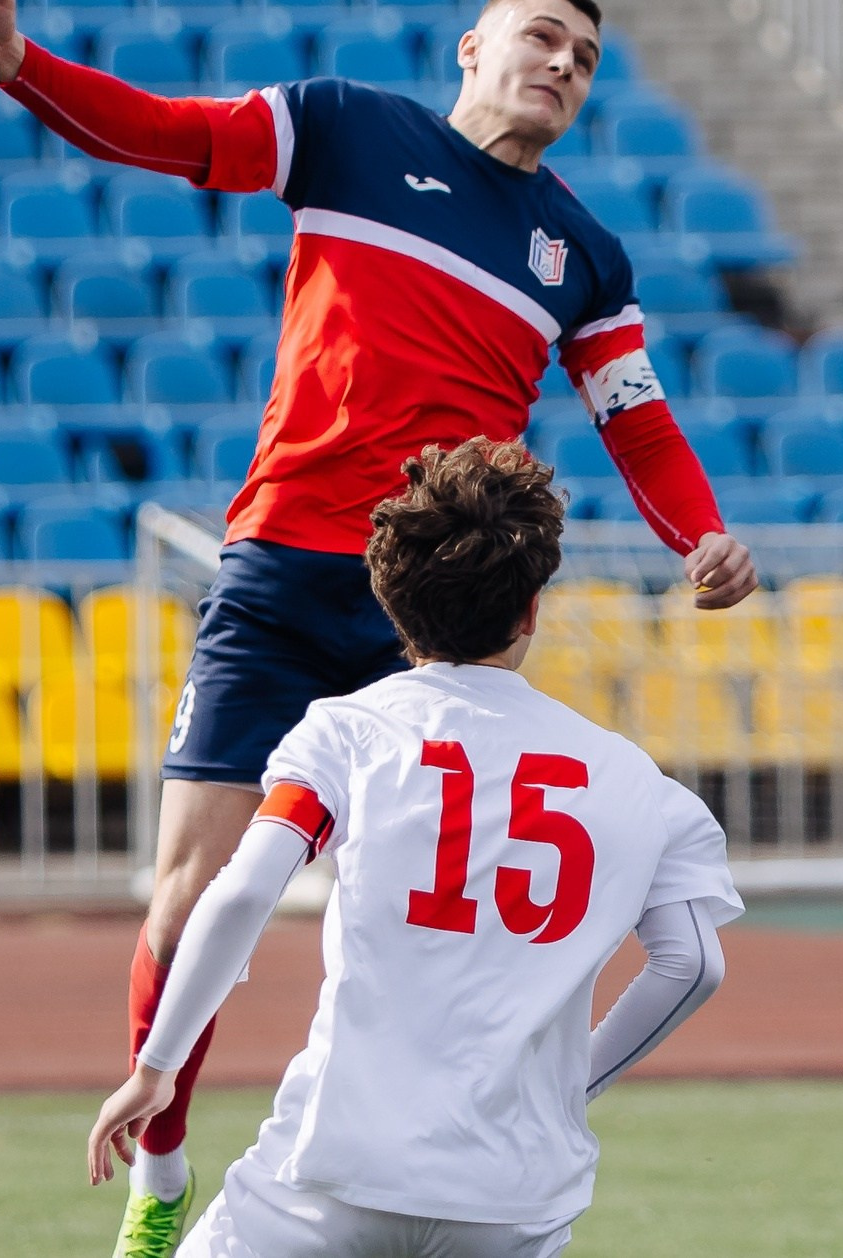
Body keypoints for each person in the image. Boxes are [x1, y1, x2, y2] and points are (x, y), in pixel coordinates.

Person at [0, 0, 756, 1257]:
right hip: (278, 566)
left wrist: (698, 530)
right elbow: (173, 134)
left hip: (436, 611)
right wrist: (18, 63)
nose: (562, 65)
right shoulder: (343, 125)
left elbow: (637, 420)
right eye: (542, 36)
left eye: (586, 57)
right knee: (189, 889)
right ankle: (164, 1163)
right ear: (474, 44)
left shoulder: (583, 255)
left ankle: (440, 1164)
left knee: (433, 917)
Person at [86, 437, 741, 1258]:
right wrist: (572, 1089)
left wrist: (158, 1068)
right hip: (514, 1197)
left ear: (389, 599)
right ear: (532, 607)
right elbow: (692, 966)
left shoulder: (348, 732)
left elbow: (244, 891)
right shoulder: (640, 782)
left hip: (333, 1173)